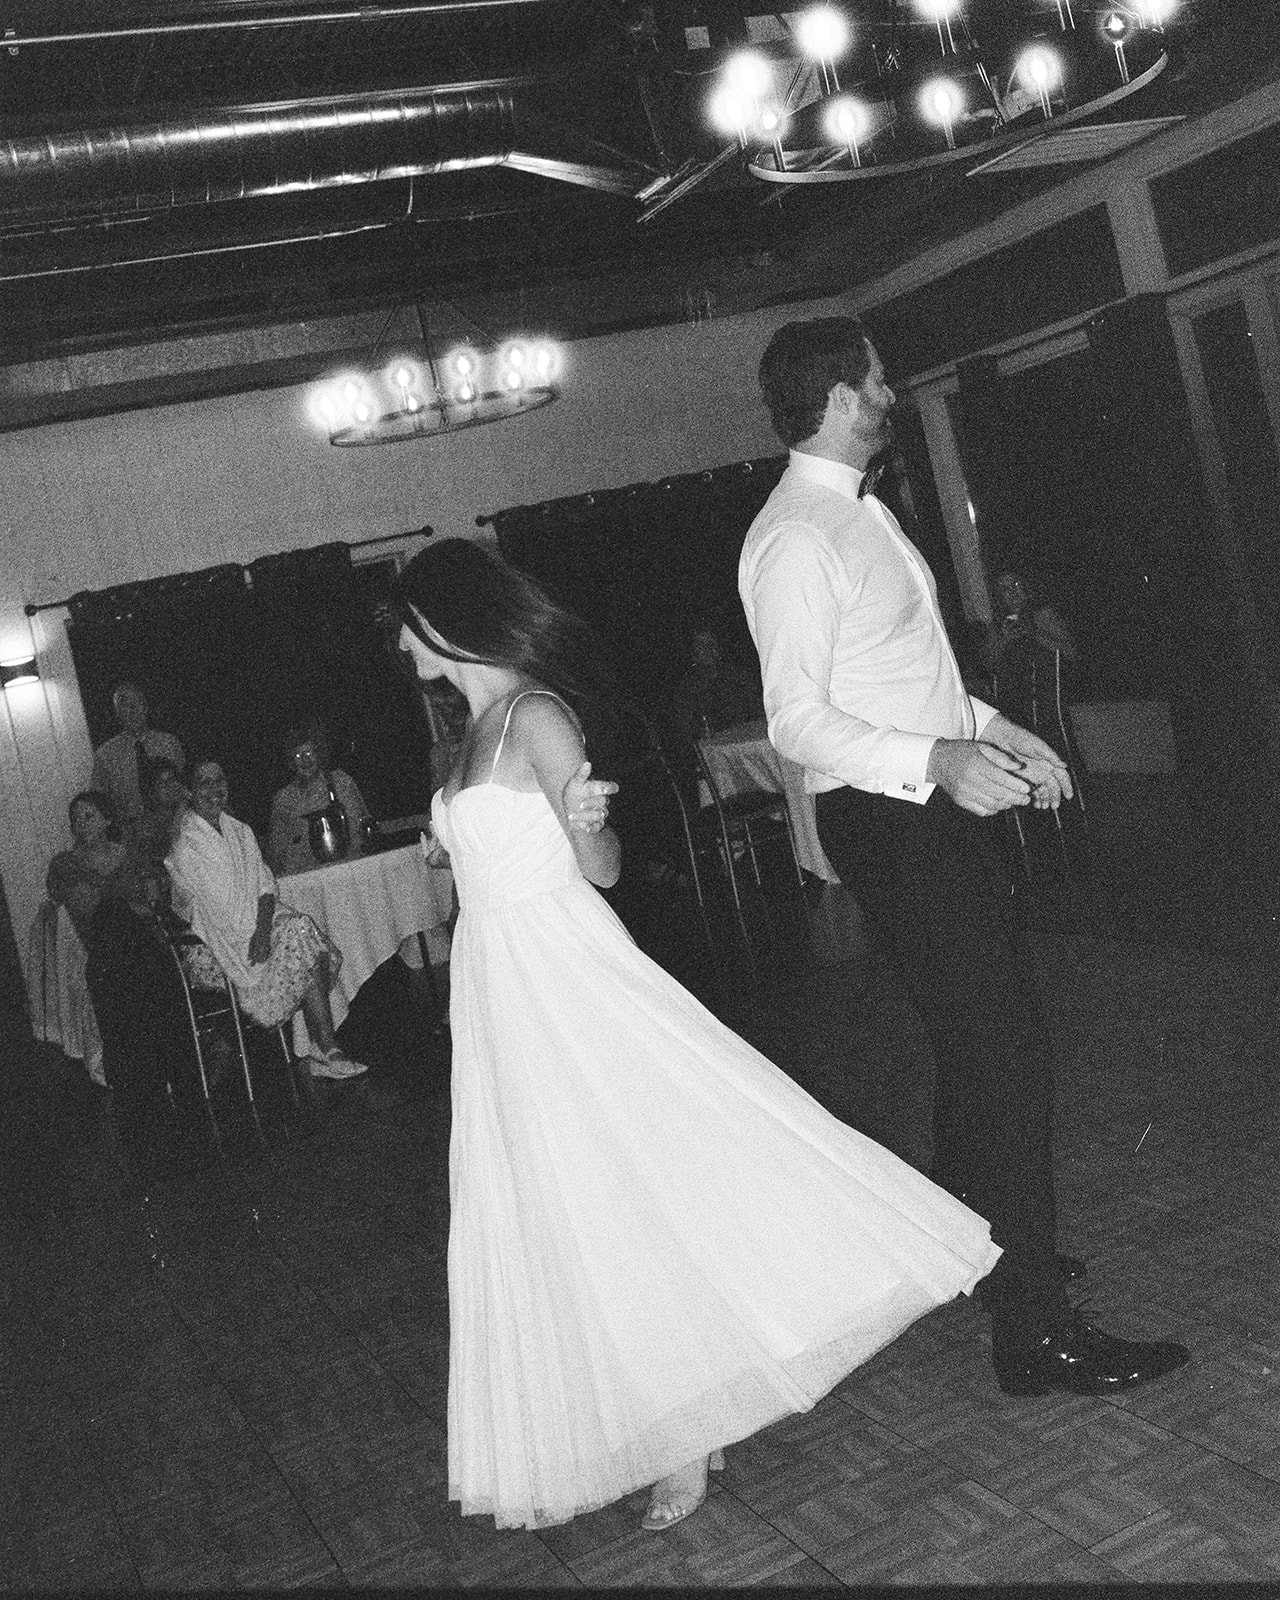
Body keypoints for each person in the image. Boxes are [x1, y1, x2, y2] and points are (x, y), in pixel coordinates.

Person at [394, 536, 1003, 1535]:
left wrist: (585, 817)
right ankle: (681, 1408)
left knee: (622, 1180)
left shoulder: (535, 715)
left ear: (442, 621)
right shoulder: (460, 737)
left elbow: (599, 866)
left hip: (563, 974)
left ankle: (679, 1427)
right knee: (561, 1195)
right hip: (500, 984)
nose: (401, 646)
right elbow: (476, 868)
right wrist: (446, 838)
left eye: (408, 626)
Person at [738, 315, 1189, 1397]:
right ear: (842, 397)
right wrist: (937, 758)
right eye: (879, 377)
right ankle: (1034, 1332)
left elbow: (902, 676)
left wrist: (986, 727)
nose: (890, 388)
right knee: (1005, 1046)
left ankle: (980, 1257)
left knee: (974, 1039)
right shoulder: (796, 533)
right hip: (890, 818)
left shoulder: (856, 513)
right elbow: (794, 720)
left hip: (916, 805)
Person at [166, 759, 368, 1081]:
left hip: (255, 928)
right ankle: (325, 1049)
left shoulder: (239, 830)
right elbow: (219, 910)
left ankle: (325, 1049)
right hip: (219, 945)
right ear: (190, 792)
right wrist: (257, 934)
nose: (214, 789)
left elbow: (263, 883)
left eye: (219, 780)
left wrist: (262, 931)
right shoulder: (186, 846)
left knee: (300, 933)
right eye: (204, 783)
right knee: (299, 935)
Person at [267, 721, 371, 875]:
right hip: (305, 876)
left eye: (309, 753)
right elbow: (277, 849)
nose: (305, 760)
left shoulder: (341, 782)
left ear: (319, 754)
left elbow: (360, 826)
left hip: (346, 869)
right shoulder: (283, 799)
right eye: (298, 755)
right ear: (291, 761)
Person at [90, 682, 185, 829]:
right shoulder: (105, 756)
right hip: (133, 833)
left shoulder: (169, 743)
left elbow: (183, 785)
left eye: (136, 703)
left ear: (146, 707)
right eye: (125, 705)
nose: (132, 710)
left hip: (175, 823)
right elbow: (98, 803)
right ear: (117, 714)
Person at [47, 789, 132, 937]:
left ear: (107, 820)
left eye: (89, 817)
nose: (83, 824)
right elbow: (85, 910)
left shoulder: (128, 855)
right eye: (76, 819)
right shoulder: (66, 865)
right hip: (102, 942)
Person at [666, 626, 762, 745]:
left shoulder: (738, 676)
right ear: (693, 655)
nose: (708, 650)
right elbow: (684, 729)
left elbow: (757, 711)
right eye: (701, 647)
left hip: (748, 744)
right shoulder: (688, 689)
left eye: (711, 644)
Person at [980, 570, 1079, 679]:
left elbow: (1071, 653)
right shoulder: (998, 624)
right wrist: (1005, 640)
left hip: (1048, 684)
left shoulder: (1042, 614)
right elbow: (987, 666)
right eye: (1005, 589)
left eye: (1016, 584)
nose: (1013, 592)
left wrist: (1033, 632)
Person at [133, 757, 188, 868]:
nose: (169, 787)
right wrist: (181, 810)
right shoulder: (147, 823)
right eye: (162, 784)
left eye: (172, 780)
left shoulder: (192, 807)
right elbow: (170, 852)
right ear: (152, 792)